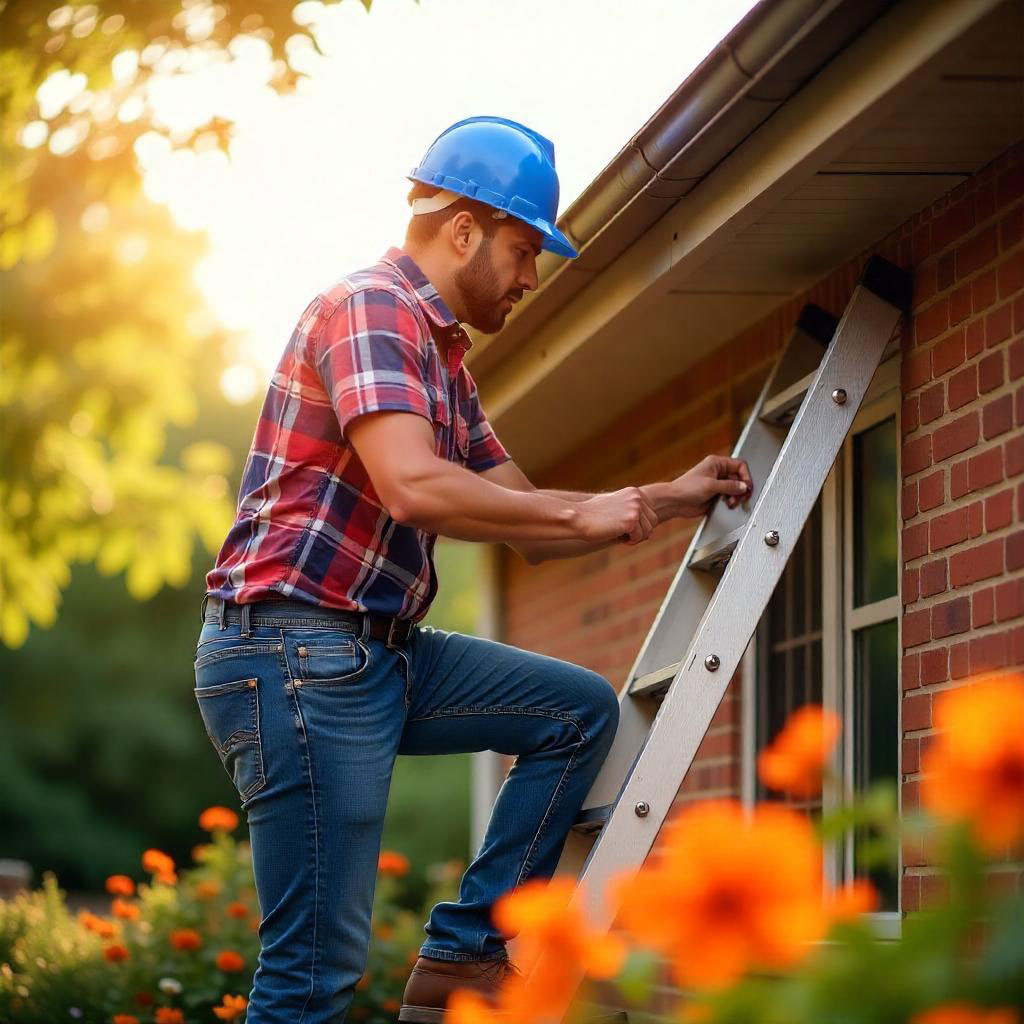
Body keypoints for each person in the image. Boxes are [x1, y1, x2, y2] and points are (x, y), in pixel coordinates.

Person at [194, 115, 753, 1024]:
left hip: (376, 653)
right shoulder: (371, 307)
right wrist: (582, 507)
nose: (531, 278)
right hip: (294, 654)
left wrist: (663, 497)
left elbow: (528, 521)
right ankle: (448, 957)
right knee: (310, 984)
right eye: (524, 250)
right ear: (463, 228)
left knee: (575, 711)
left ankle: (464, 952)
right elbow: (414, 488)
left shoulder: (444, 360)